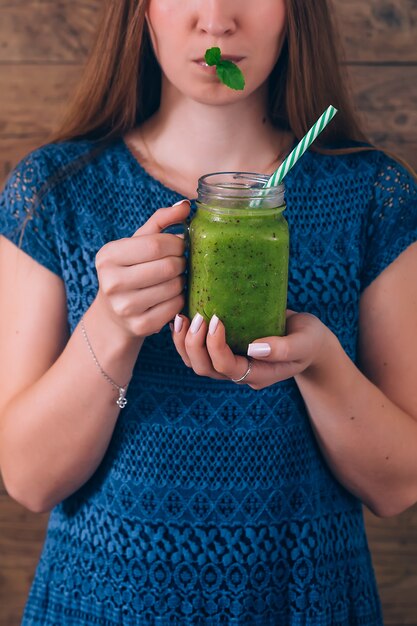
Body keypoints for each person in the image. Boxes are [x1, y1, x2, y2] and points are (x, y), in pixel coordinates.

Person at [1, 0, 416, 623]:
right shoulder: (56, 191)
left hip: (303, 602)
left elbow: (398, 486)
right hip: (104, 603)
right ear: (141, 12)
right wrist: (112, 327)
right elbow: (29, 481)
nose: (217, 20)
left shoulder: (374, 197)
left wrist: (320, 365)